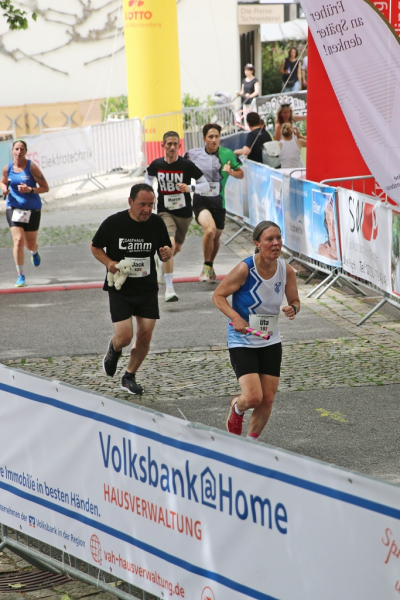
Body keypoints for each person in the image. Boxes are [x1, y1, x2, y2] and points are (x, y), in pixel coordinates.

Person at [212, 221, 300, 440]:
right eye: (269, 239)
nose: (276, 243)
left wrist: (293, 308)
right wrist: (236, 317)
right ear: (257, 243)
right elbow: (218, 295)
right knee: (253, 398)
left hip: (270, 339)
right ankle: (237, 407)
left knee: (267, 399)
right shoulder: (246, 269)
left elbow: (295, 300)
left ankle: (250, 444)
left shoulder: (286, 270)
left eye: (278, 238)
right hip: (242, 339)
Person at [90, 183, 172, 395]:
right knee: (125, 337)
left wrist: (166, 253)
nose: (147, 209)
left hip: (146, 288)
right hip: (121, 288)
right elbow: (95, 247)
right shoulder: (114, 223)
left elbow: (165, 249)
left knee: (145, 335)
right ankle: (114, 348)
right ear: (130, 202)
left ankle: (129, 376)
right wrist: (109, 262)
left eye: (151, 204)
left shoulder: (156, 223)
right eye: (142, 204)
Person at [144, 131, 210, 302]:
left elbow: (206, 185)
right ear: (163, 145)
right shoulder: (157, 164)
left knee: (176, 248)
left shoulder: (187, 165)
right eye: (169, 144)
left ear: (179, 146)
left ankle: (162, 263)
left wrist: (190, 188)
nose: (172, 147)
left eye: (175, 144)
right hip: (164, 211)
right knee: (169, 244)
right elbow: (148, 177)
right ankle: (169, 289)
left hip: (184, 213)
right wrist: (150, 194)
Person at [186, 123, 244, 283]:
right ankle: (206, 266)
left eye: (216, 136)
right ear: (204, 138)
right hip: (200, 200)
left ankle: (210, 265)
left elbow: (241, 174)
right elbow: (180, 168)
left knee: (216, 237)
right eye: (210, 137)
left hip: (219, 201)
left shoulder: (227, 154)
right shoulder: (192, 154)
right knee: (210, 230)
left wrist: (230, 172)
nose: (213, 140)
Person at [1, 139, 49, 287]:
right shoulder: (7, 168)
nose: (19, 152)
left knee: (30, 244)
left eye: (22, 149)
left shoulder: (32, 168)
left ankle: (34, 251)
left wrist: (30, 189)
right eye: (16, 149)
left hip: (32, 208)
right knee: (18, 241)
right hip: (13, 207)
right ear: (12, 151)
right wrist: (4, 188)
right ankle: (20, 275)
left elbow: (45, 187)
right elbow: (2, 181)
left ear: (26, 151)